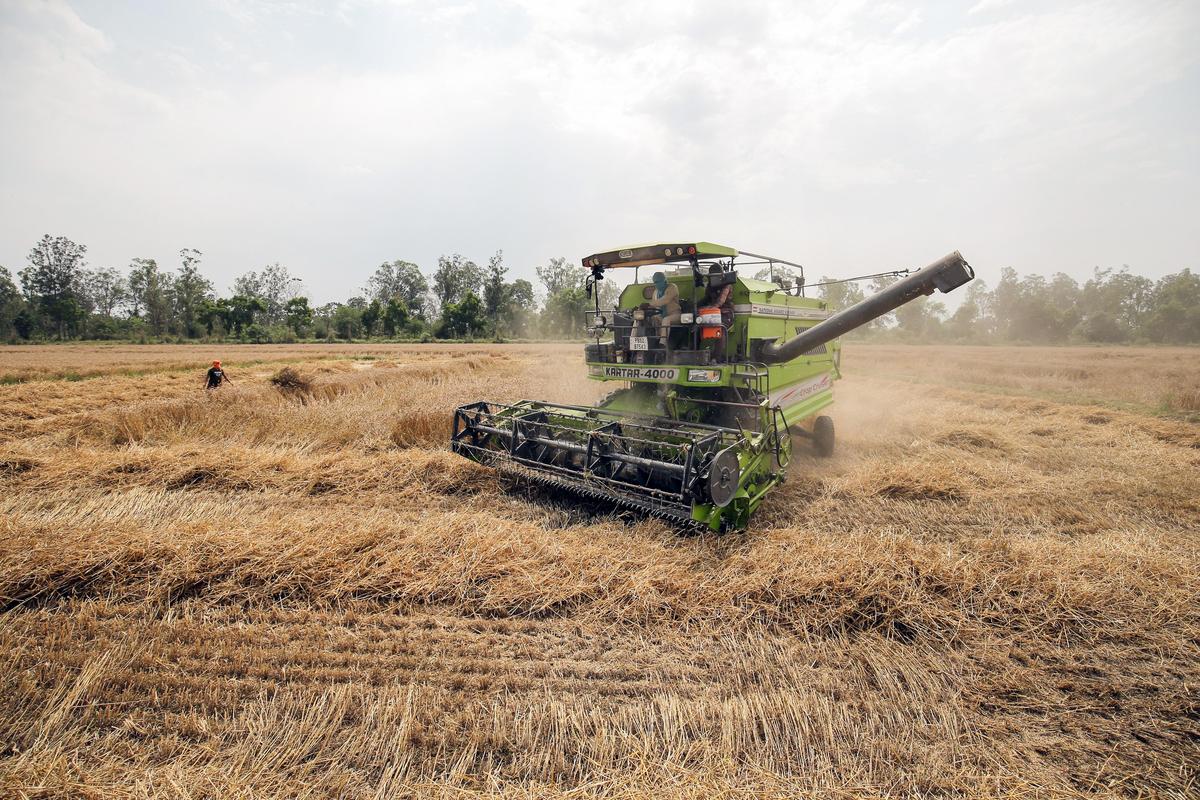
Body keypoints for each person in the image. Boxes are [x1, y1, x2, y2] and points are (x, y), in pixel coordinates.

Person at [644, 271, 681, 345]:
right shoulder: (655, 292)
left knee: (666, 320)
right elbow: (654, 305)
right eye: (655, 282)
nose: (656, 284)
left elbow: (665, 300)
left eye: (658, 282)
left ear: (664, 280)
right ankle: (650, 341)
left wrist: (648, 304)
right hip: (660, 315)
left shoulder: (672, 287)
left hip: (675, 315)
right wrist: (644, 308)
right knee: (648, 318)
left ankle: (662, 344)